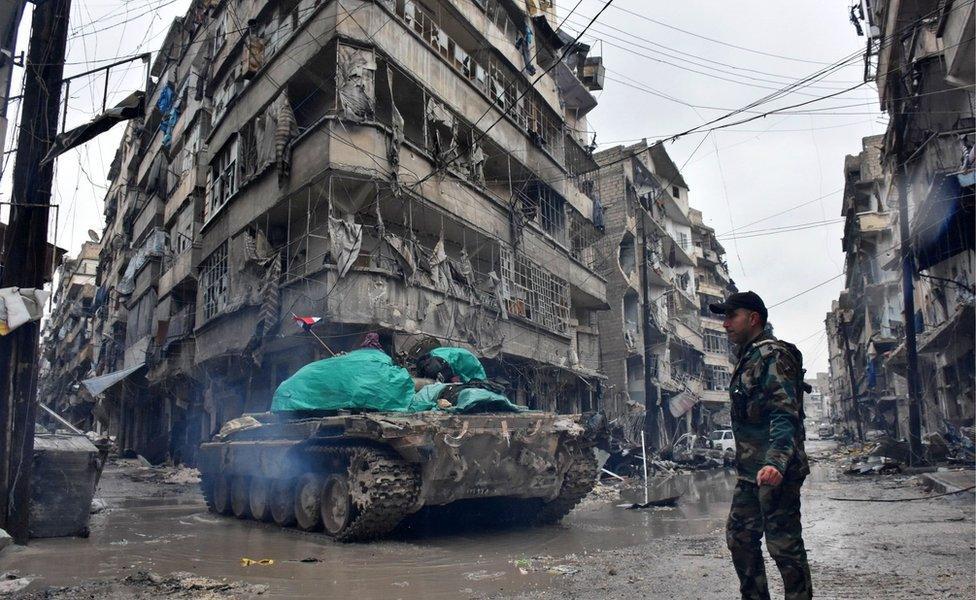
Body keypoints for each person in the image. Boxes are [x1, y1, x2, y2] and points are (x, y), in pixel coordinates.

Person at [709, 291, 813, 600]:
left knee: (784, 546)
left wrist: (777, 463)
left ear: (753, 319)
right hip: (750, 472)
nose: (725, 324)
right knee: (740, 537)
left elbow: (784, 412)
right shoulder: (748, 356)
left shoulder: (773, 356)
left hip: (775, 469)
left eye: (731, 316)